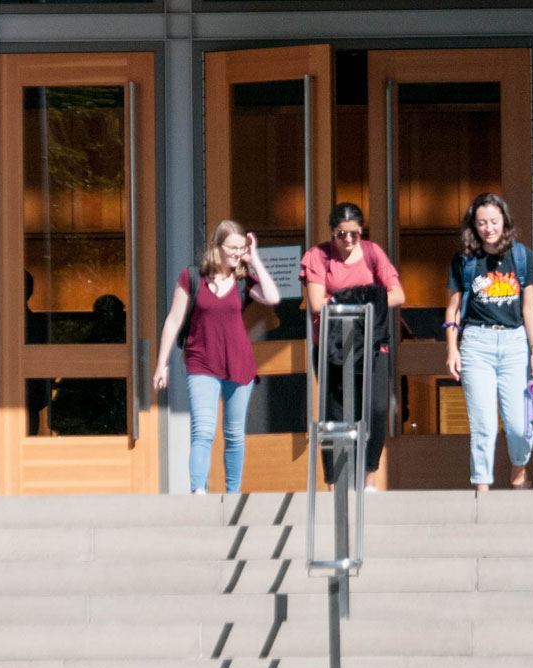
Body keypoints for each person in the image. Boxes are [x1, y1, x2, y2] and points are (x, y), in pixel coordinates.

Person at [154, 220, 281, 494]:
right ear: (217, 246)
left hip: (239, 364)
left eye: (241, 248)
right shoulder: (192, 277)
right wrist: (161, 364)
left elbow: (272, 297)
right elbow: (174, 320)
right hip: (201, 363)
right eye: (232, 248)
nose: (237, 253)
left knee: (234, 435)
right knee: (203, 430)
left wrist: (255, 258)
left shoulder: (244, 281)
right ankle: (198, 492)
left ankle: (232, 495)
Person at [445, 192, 533, 490]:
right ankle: (482, 489)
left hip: (514, 343)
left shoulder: (522, 257)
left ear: (504, 221)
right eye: (481, 223)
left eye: (494, 221)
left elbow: (530, 307)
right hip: (477, 342)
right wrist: (452, 348)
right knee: (484, 426)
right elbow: (452, 309)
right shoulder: (465, 261)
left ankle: (519, 471)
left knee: (519, 426)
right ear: (473, 226)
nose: (488, 228)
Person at [302, 202, 404, 492]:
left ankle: (369, 477)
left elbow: (397, 294)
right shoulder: (318, 256)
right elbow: (317, 303)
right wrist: (367, 296)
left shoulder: (372, 253)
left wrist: (345, 298)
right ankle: (335, 482)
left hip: (370, 345)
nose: (348, 241)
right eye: (341, 235)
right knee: (335, 413)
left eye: (354, 234)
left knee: (375, 408)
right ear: (331, 233)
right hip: (333, 347)